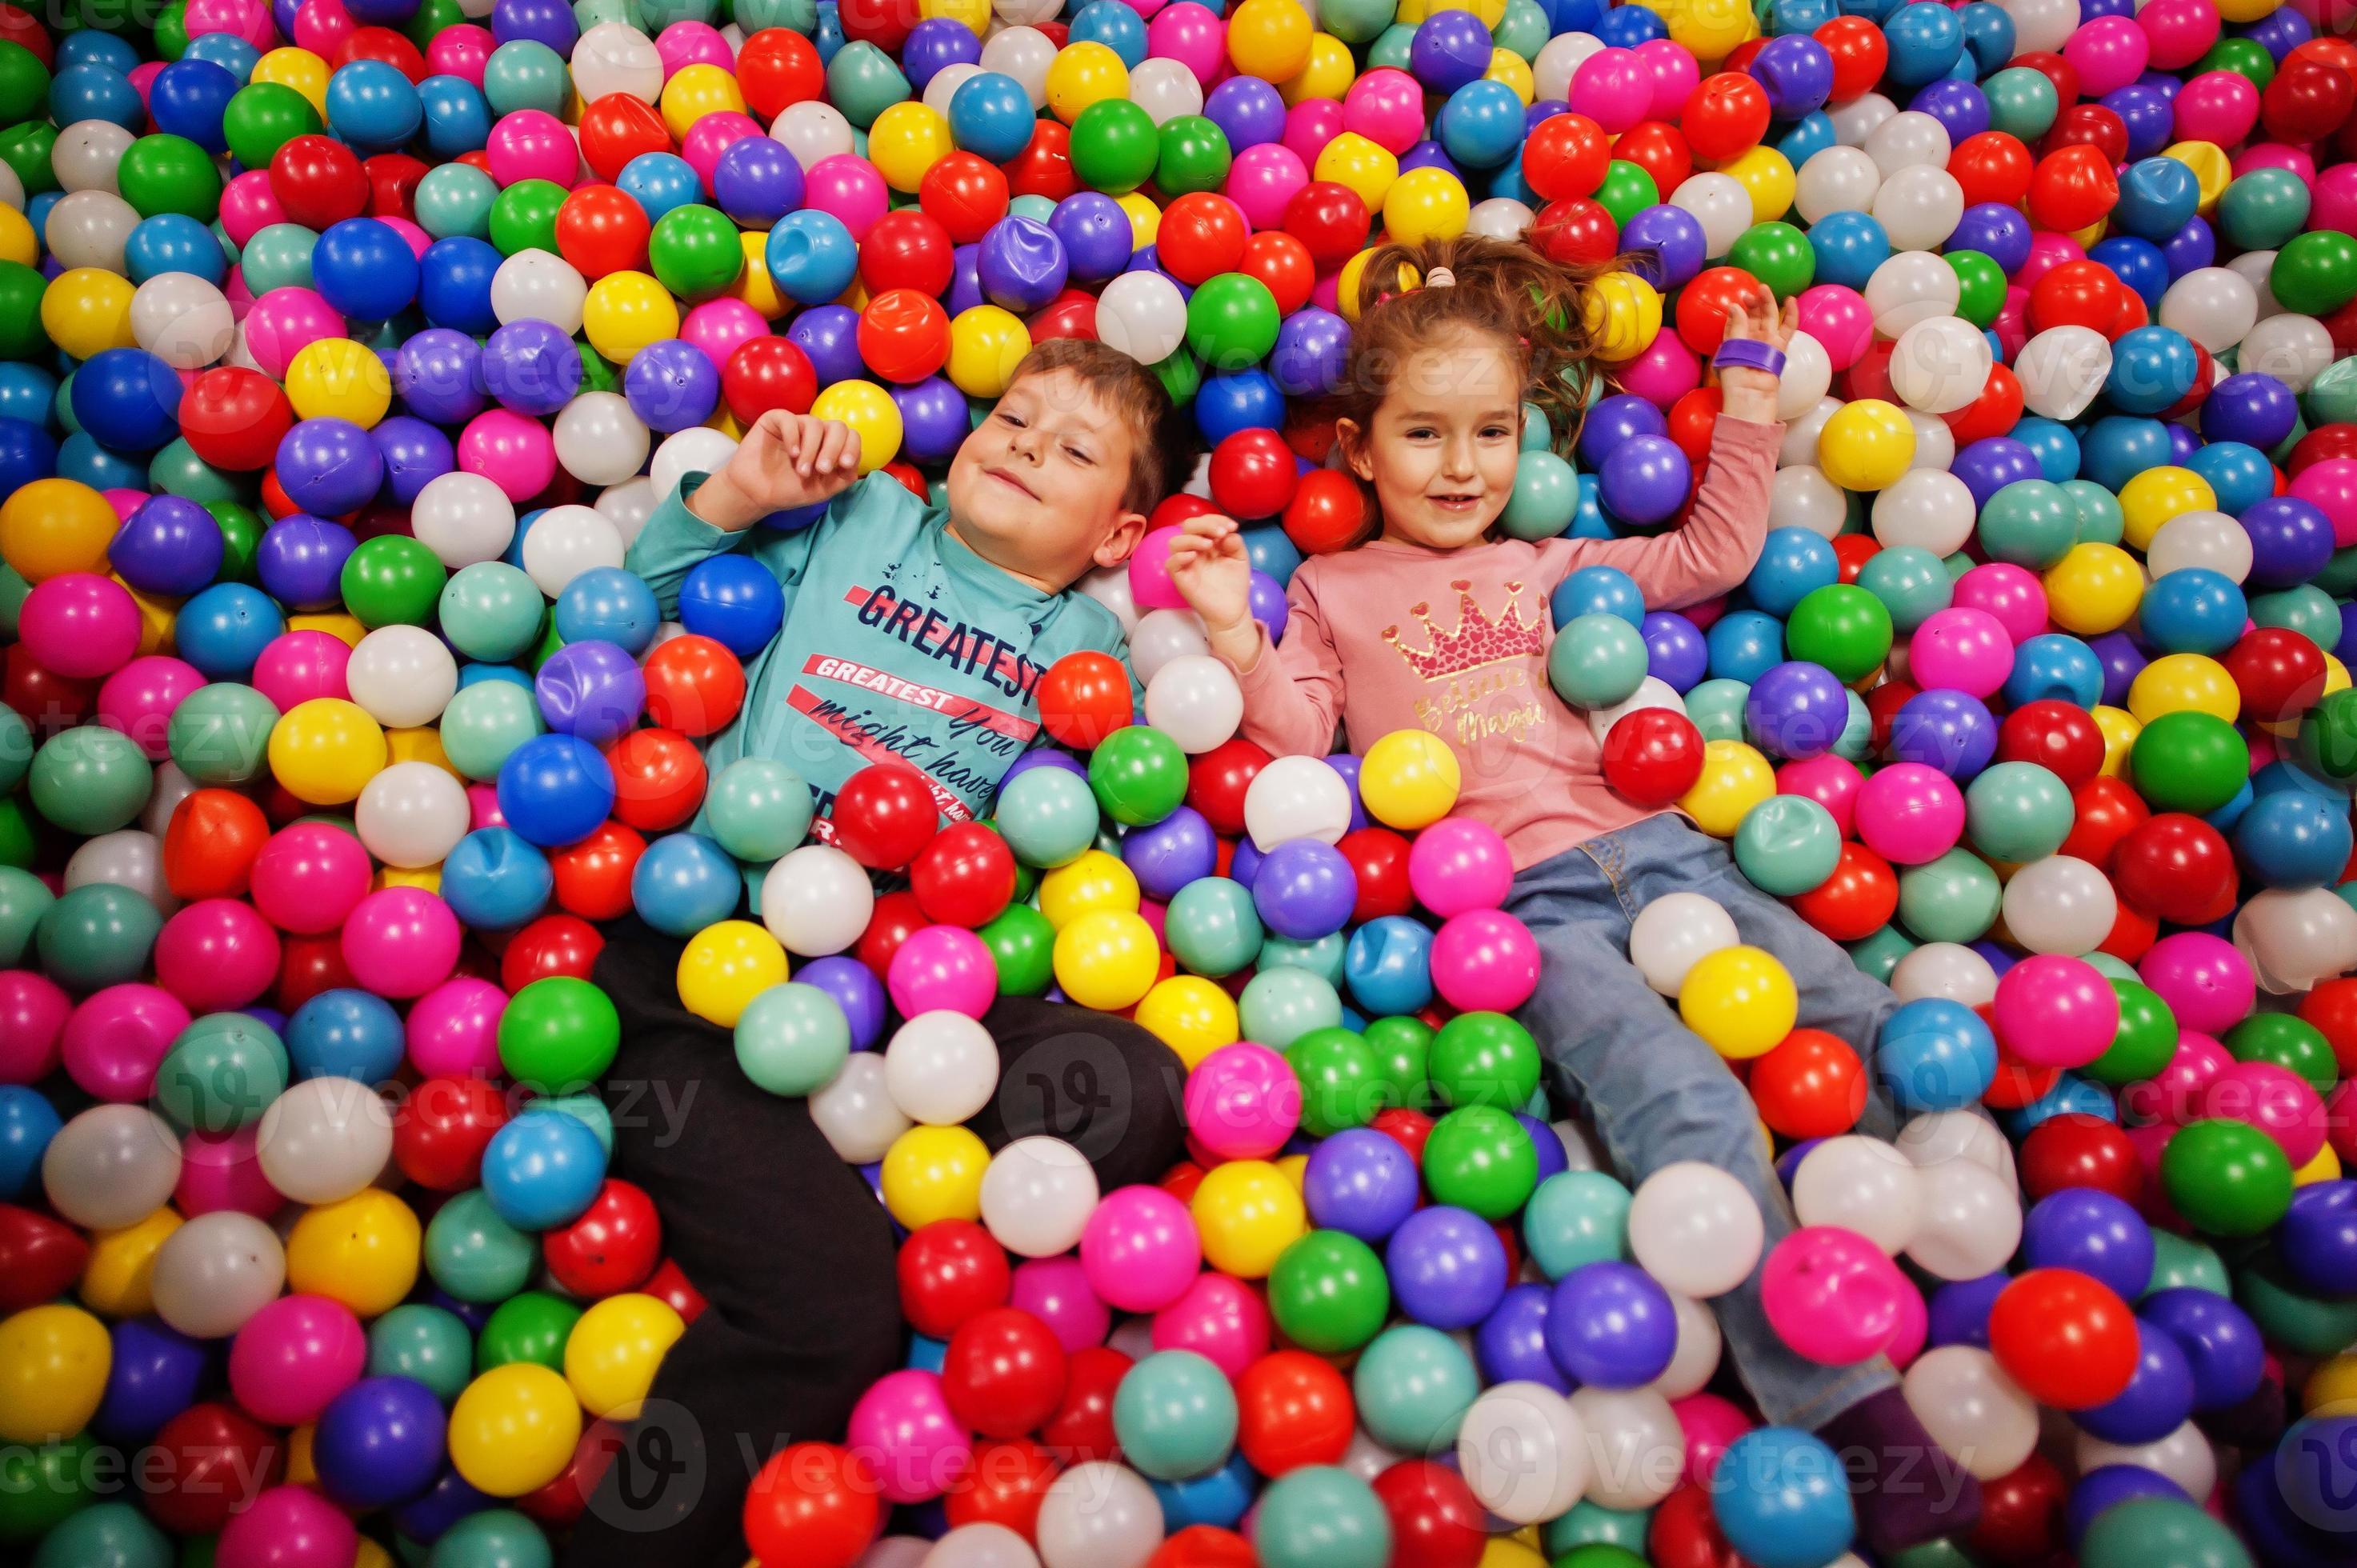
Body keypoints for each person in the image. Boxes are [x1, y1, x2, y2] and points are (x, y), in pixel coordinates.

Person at [1166, 234, 1983, 1555]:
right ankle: (1846, 1417)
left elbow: (1714, 553)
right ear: (1360, 452)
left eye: (1489, 432)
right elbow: (1294, 737)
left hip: (1675, 850)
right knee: (1684, 1097)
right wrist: (1225, 625)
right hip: (1519, 913)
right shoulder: (1330, 588)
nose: (1460, 466)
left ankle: (1963, 1267)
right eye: (1422, 435)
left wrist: (1755, 386)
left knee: (1862, 1019)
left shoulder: (1553, 568)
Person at [565, 340, 1196, 1567]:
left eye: (1071, 450)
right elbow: (649, 586)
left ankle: (894, 1183)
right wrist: (744, 491)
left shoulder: (1089, 648)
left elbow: (1093, 815)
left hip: (903, 997)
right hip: (703, 956)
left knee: (1139, 1085)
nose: (1024, 444)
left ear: (1116, 539)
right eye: (1013, 418)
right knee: (832, 1309)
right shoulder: (862, 515)